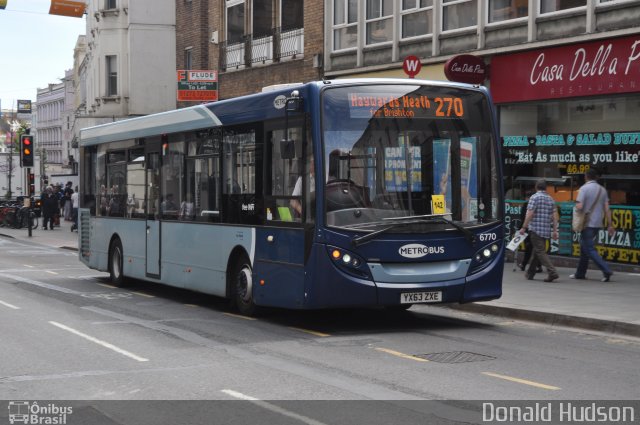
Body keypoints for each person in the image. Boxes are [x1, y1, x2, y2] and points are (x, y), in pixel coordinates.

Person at [570, 169, 615, 282]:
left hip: (587, 223)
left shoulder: (584, 188)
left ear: (586, 177)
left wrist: (575, 208)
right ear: (596, 177)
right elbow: (607, 209)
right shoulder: (602, 190)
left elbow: (579, 206)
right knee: (584, 248)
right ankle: (580, 273)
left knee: (589, 248)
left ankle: (606, 270)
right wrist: (610, 224)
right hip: (597, 223)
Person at [518, 179, 559, 282]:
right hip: (545, 230)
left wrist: (524, 227)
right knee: (537, 252)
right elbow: (555, 216)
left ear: (536, 187)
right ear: (546, 188)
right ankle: (530, 273)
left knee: (540, 251)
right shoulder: (550, 199)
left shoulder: (534, 198)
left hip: (535, 229)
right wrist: (555, 230)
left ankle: (552, 272)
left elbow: (530, 214)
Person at [517, 192, 542, 273]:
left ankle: (524, 265)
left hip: (529, 228)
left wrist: (522, 227)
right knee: (537, 249)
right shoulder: (539, 204)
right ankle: (538, 266)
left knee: (528, 248)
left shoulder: (526, 205)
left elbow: (523, 217)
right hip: (539, 229)